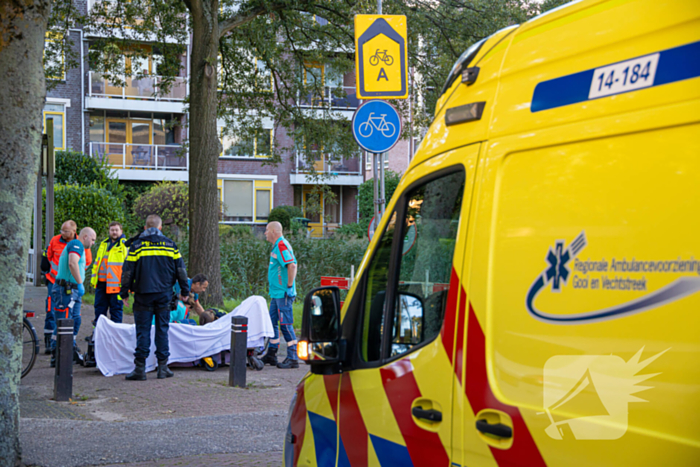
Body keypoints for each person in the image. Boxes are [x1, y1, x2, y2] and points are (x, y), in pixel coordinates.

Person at [120, 214, 189, 381]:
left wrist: (124, 292)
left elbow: (127, 272)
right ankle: (162, 367)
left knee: (142, 331)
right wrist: (185, 292)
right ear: (160, 228)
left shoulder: (136, 246)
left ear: (145, 228)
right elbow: (181, 271)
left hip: (143, 294)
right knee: (162, 330)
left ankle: (140, 369)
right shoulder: (171, 246)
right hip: (164, 294)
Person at [50, 227, 97, 367]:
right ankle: (57, 353)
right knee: (64, 322)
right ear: (85, 237)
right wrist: (80, 283)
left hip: (72, 290)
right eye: (93, 239)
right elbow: (72, 263)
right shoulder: (76, 245)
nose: (93, 243)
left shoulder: (79, 247)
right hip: (66, 289)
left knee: (75, 320)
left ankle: (70, 348)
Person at [261, 221, 299, 369]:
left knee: (285, 325)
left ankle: (293, 357)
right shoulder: (278, 246)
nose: (264, 233)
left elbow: (292, 265)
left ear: (273, 232)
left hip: (283, 294)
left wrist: (289, 287)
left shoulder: (281, 245)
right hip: (277, 294)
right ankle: (272, 353)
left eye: (266, 230)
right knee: (272, 323)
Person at [90, 222, 128, 324]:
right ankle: (97, 336)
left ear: (121, 231)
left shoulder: (125, 245)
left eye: (116, 230)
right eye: (112, 230)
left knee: (116, 312)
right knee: (99, 311)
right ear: (109, 231)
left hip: (116, 286)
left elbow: (129, 267)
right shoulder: (104, 244)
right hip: (102, 284)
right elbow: (97, 263)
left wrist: (127, 286)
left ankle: (115, 338)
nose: (114, 232)